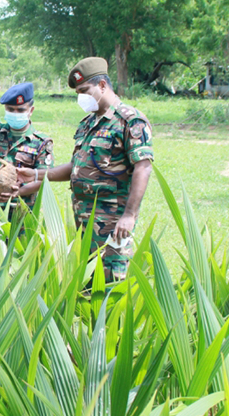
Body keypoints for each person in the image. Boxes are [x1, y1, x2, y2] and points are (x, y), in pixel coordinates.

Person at [17, 57, 154, 281]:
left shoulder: (129, 120)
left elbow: (143, 167)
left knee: (110, 281)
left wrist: (129, 215)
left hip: (112, 221)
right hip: (83, 219)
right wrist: (35, 174)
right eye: (77, 92)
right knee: (88, 281)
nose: (80, 97)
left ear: (102, 85)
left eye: (84, 90)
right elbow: (77, 166)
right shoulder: (88, 123)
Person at [0, 82, 54, 212]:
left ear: (31, 111)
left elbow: (43, 179)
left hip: (20, 208)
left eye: (20, 110)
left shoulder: (41, 142)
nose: (15, 113)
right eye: (10, 110)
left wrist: (19, 191)